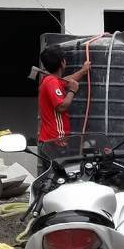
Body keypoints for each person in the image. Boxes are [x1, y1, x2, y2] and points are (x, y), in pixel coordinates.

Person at [36, 46, 92, 174]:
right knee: (59, 178)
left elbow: (65, 80)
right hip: (54, 141)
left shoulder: (50, 80)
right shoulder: (51, 82)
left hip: (51, 141)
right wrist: (72, 91)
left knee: (53, 177)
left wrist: (83, 71)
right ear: (63, 62)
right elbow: (61, 106)